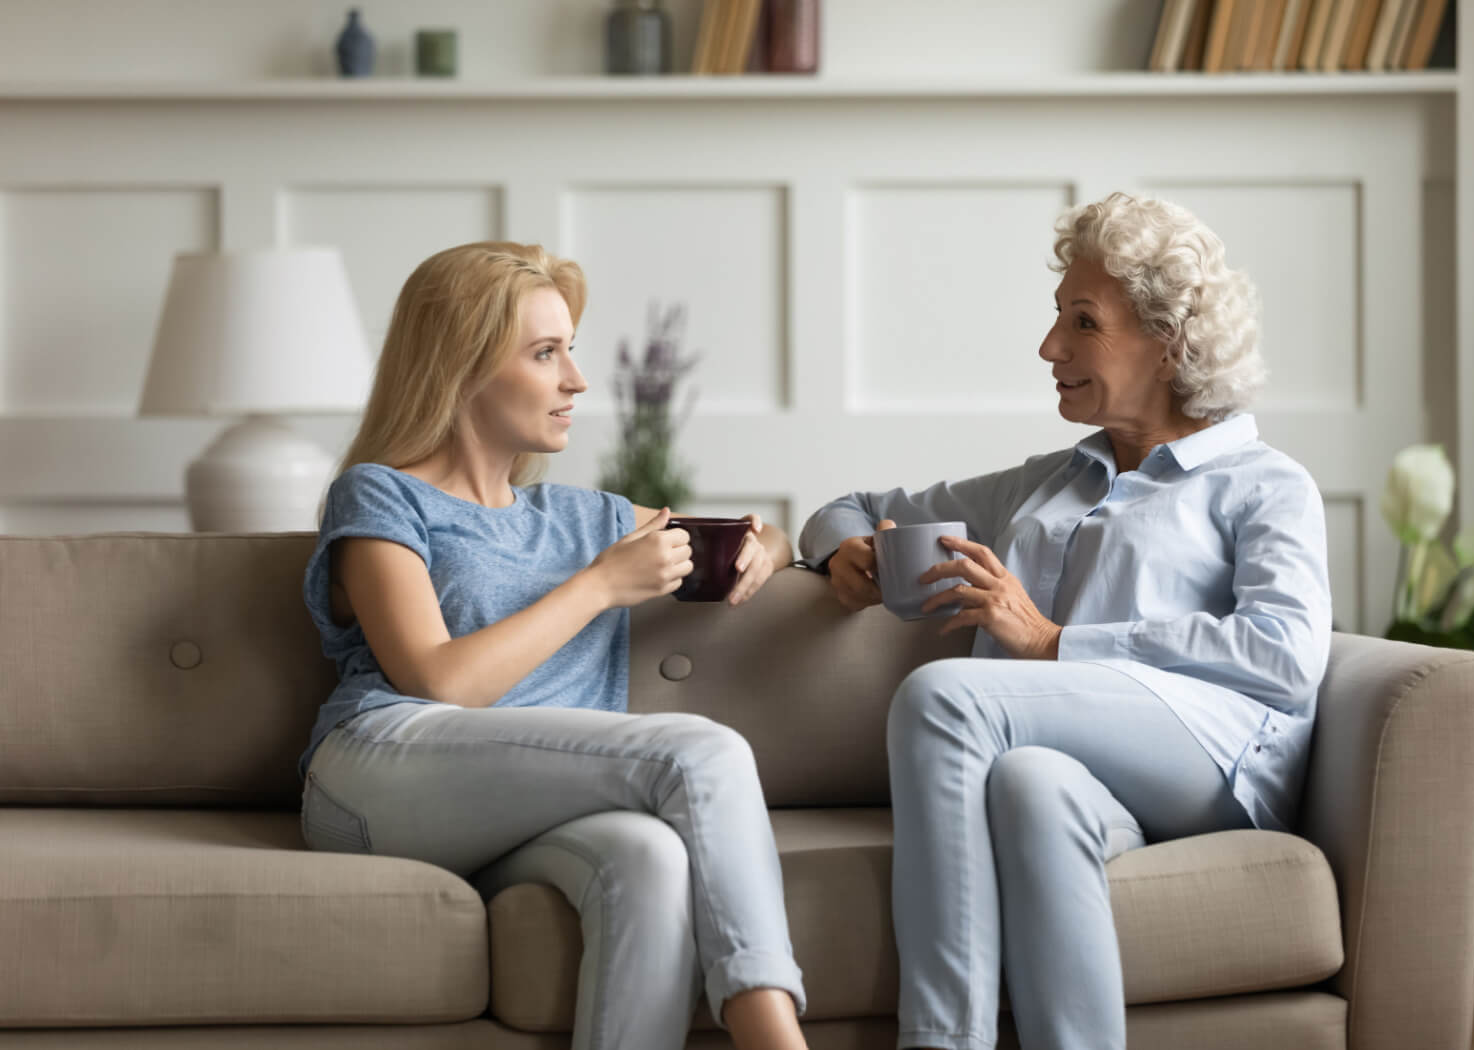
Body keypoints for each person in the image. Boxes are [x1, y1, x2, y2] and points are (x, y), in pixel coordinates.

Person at [798, 192, 1332, 1050]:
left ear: (1170, 339)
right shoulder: (1051, 481)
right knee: (1029, 788)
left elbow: (1283, 656)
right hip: (1069, 761)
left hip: (1215, 761)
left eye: (1082, 323)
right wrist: (843, 552)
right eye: (1057, 319)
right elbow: (850, 505)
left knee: (947, 699)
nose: (1050, 348)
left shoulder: (1264, 483)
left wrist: (1053, 642)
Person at [298, 242, 809, 1050]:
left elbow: (761, 529)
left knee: (648, 860)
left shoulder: (581, 516)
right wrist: (600, 585)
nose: (576, 379)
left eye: (571, 350)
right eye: (546, 353)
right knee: (697, 755)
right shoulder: (380, 494)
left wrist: (767, 550)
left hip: (523, 806)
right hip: (379, 772)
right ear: (461, 366)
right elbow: (437, 677)